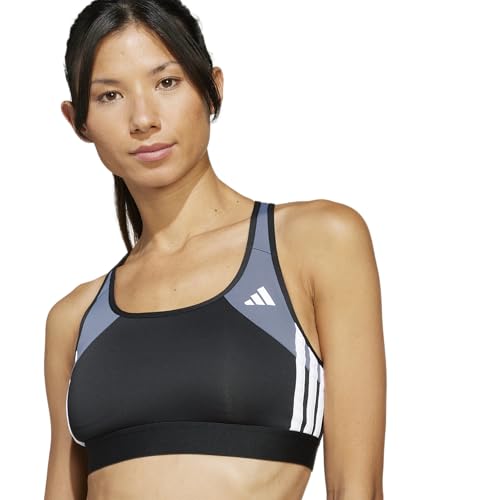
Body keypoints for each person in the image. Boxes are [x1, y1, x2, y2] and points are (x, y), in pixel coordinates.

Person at [43, 1, 386, 499]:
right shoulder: (74, 319)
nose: (143, 118)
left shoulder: (314, 243)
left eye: (167, 82)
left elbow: (358, 488)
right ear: (79, 121)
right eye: (110, 95)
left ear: (213, 89)